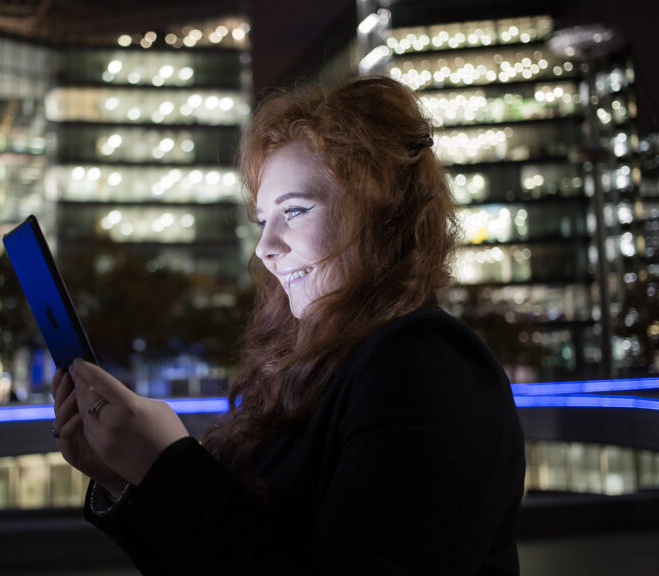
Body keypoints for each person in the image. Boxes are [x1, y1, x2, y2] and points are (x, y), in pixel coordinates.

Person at [51, 75, 525, 575]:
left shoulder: (426, 362)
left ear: (375, 212)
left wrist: (164, 464)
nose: (265, 247)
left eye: (294, 211)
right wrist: (126, 476)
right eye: (262, 221)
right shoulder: (320, 367)